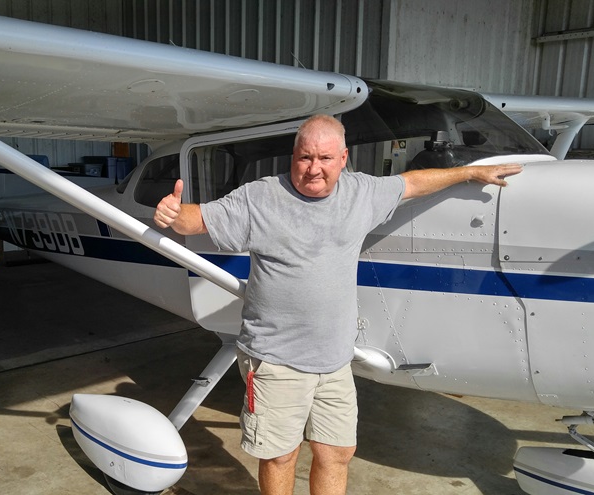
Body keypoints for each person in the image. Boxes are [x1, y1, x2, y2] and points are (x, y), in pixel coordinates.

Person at [154, 114, 523, 494]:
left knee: (338, 452)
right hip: (275, 359)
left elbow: (412, 182)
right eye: (304, 158)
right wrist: (174, 213)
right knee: (280, 456)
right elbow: (198, 219)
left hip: (334, 361)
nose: (314, 169)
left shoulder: (361, 193)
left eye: (325, 159)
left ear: (343, 158)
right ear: (293, 157)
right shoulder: (261, 197)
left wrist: (468, 174)